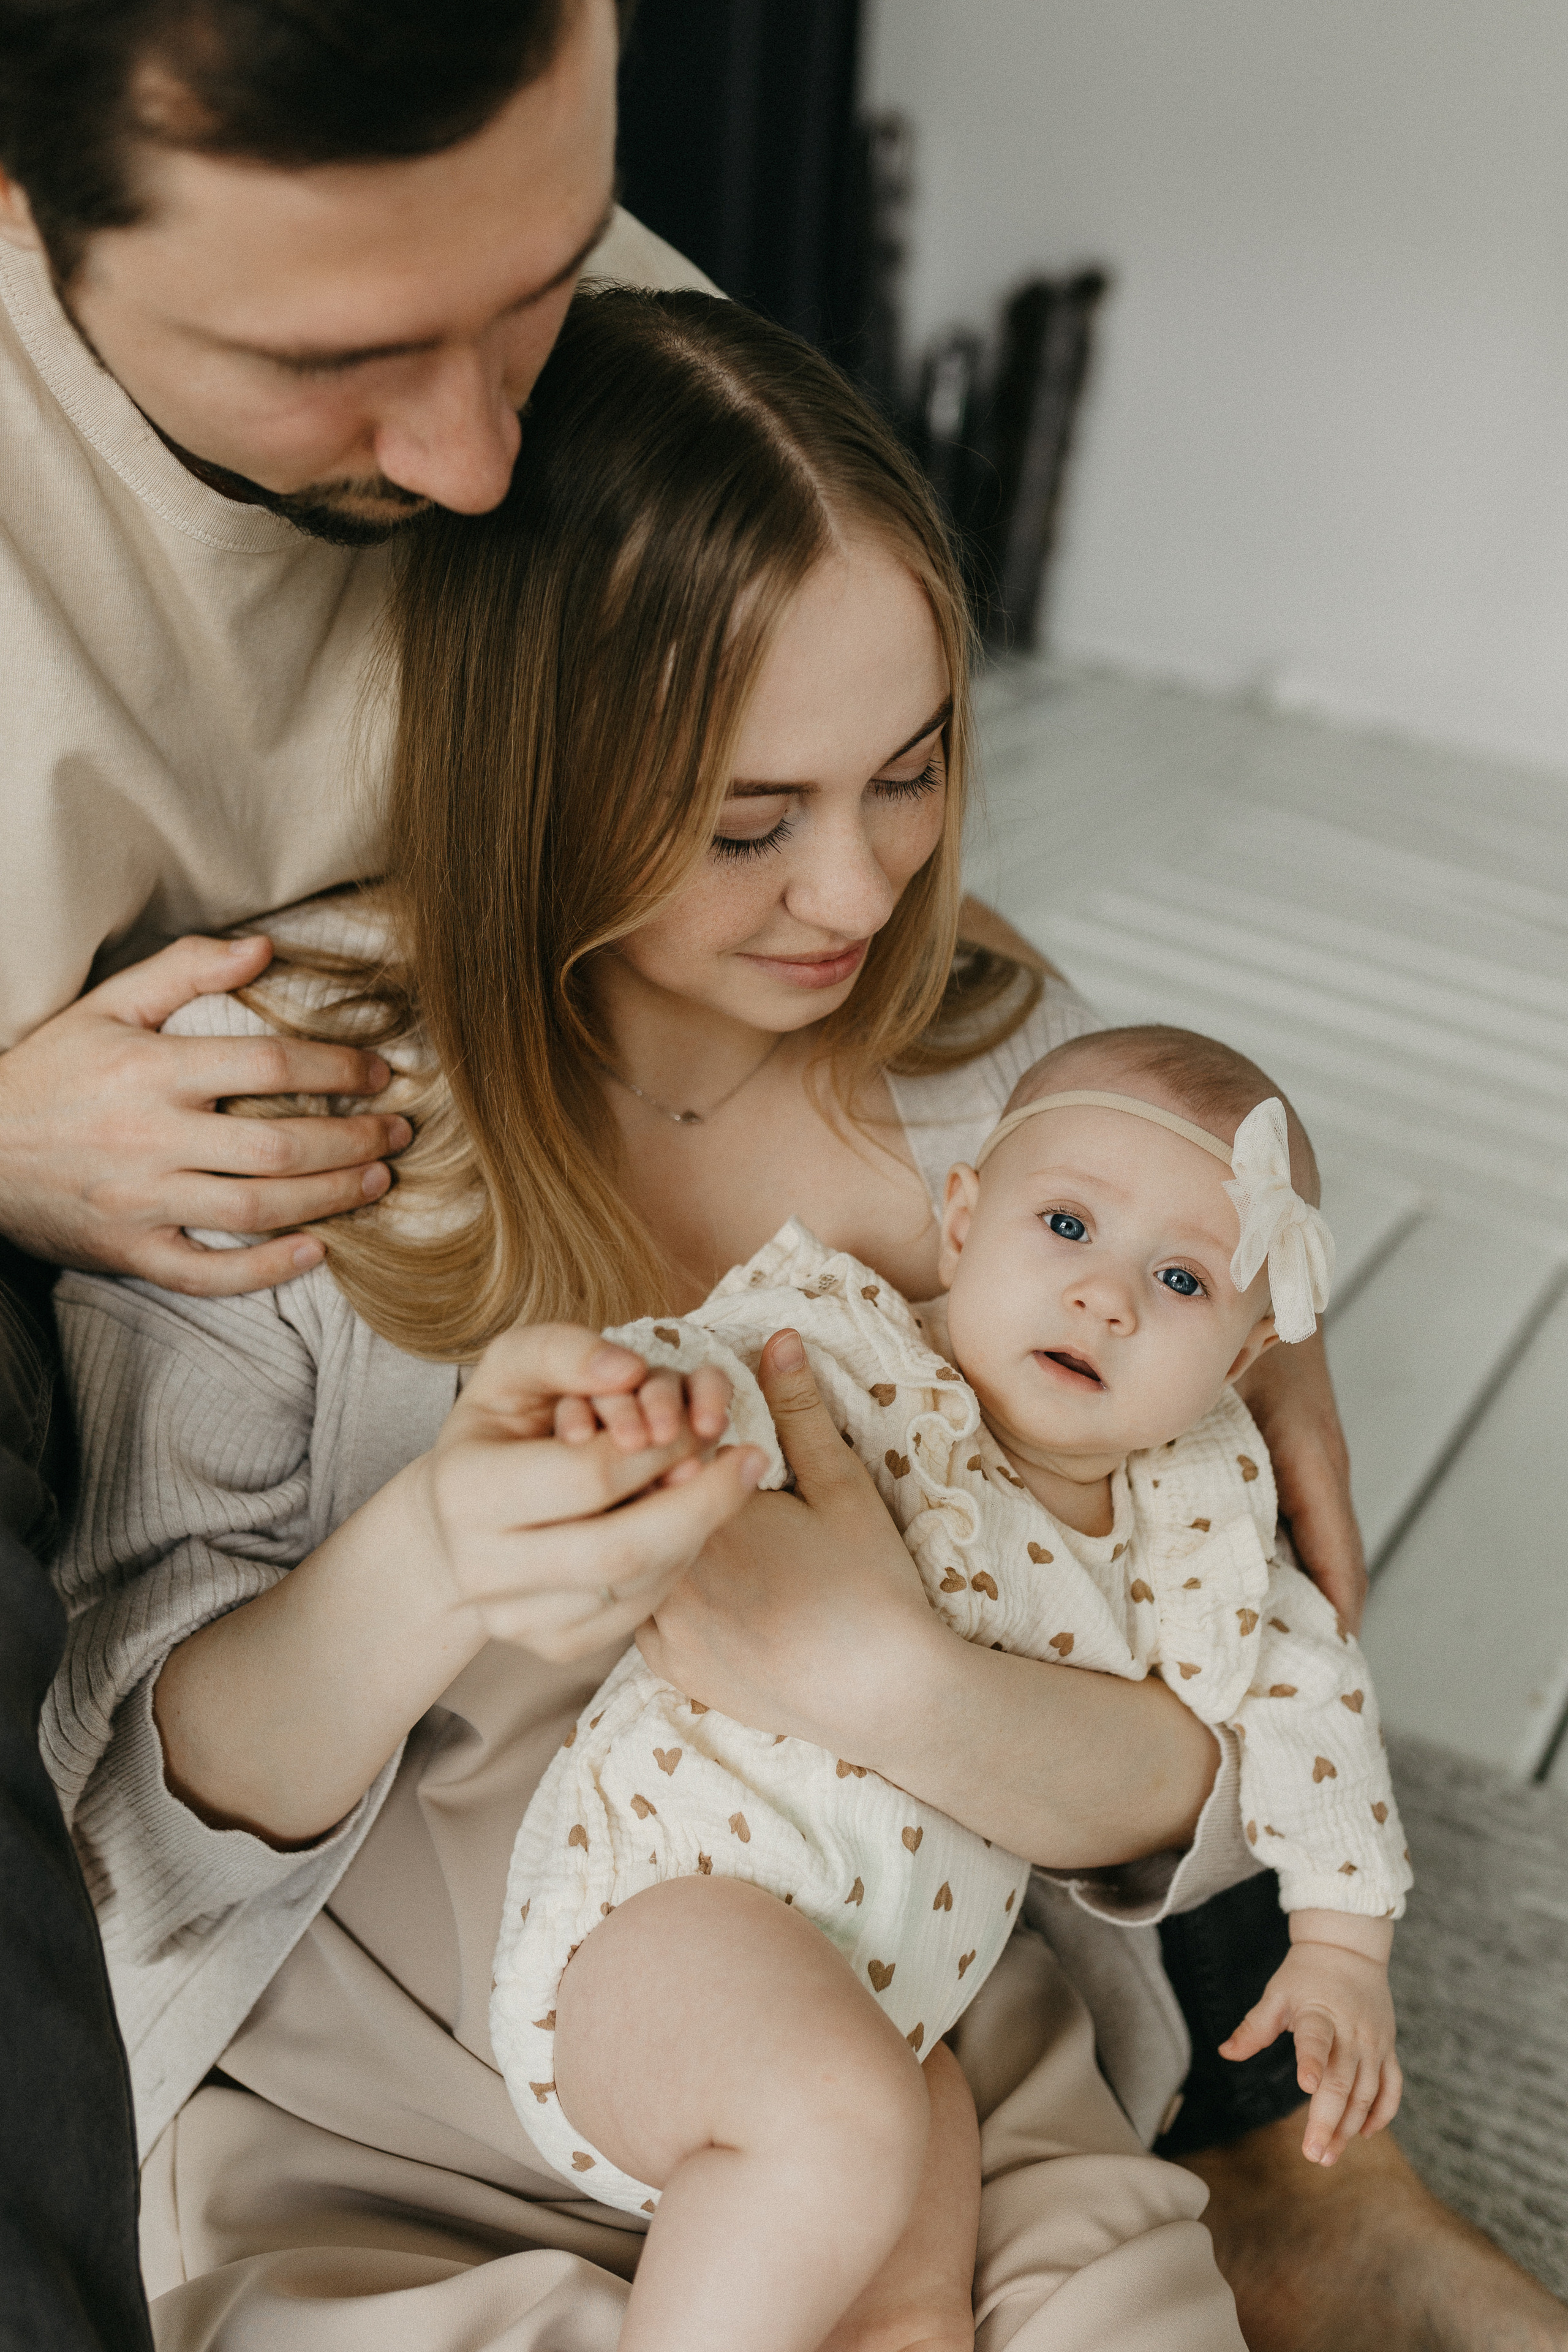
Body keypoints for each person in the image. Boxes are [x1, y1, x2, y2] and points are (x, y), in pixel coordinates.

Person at [0, 5, 1559, 2345]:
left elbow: (1206, 1746)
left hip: (941, 2029)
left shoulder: (992, 1104)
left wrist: (943, 1646)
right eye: (748, 823)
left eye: (917, 775)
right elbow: (135, 1808)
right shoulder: (295, 1122)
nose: (848, 894)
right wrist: (433, 1553)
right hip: (407, 2094)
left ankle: (1286, 2198)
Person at [488, 1025, 1407, 2352]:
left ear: (1246, 1355)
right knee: (840, 2112)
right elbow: (706, 1382)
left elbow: (1312, 1707)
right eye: (1065, 1223)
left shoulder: (1199, 1524)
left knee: (916, 2267)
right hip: (664, 1931)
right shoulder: (851, 1362)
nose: (1105, 1298)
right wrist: (639, 1420)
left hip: (892, 2011)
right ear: (962, 1219)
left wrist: (1337, 1947)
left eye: (1179, 1278)